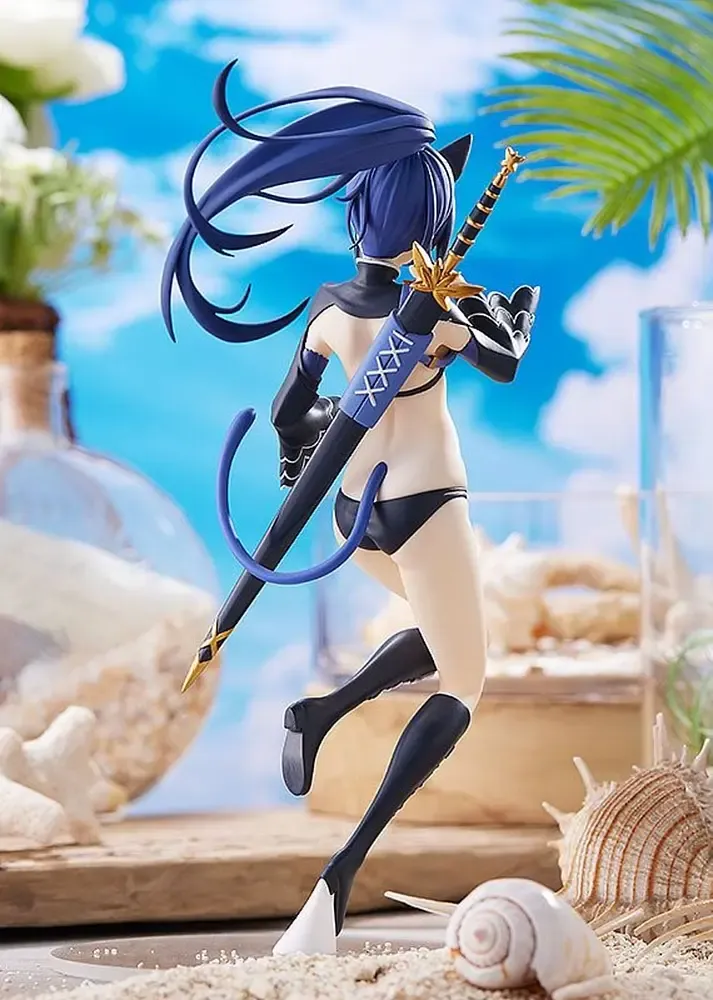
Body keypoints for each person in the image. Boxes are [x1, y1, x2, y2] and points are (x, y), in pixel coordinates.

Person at [161, 60, 538, 956]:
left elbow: (290, 413)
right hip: (424, 507)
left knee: (442, 630)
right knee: (464, 678)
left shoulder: (329, 309)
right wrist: (509, 319)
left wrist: (313, 441)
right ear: (436, 219)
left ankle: (320, 714)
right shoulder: (441, 313)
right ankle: (337, 880)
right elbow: (505, 364)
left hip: (347, 518)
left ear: (357, 211)